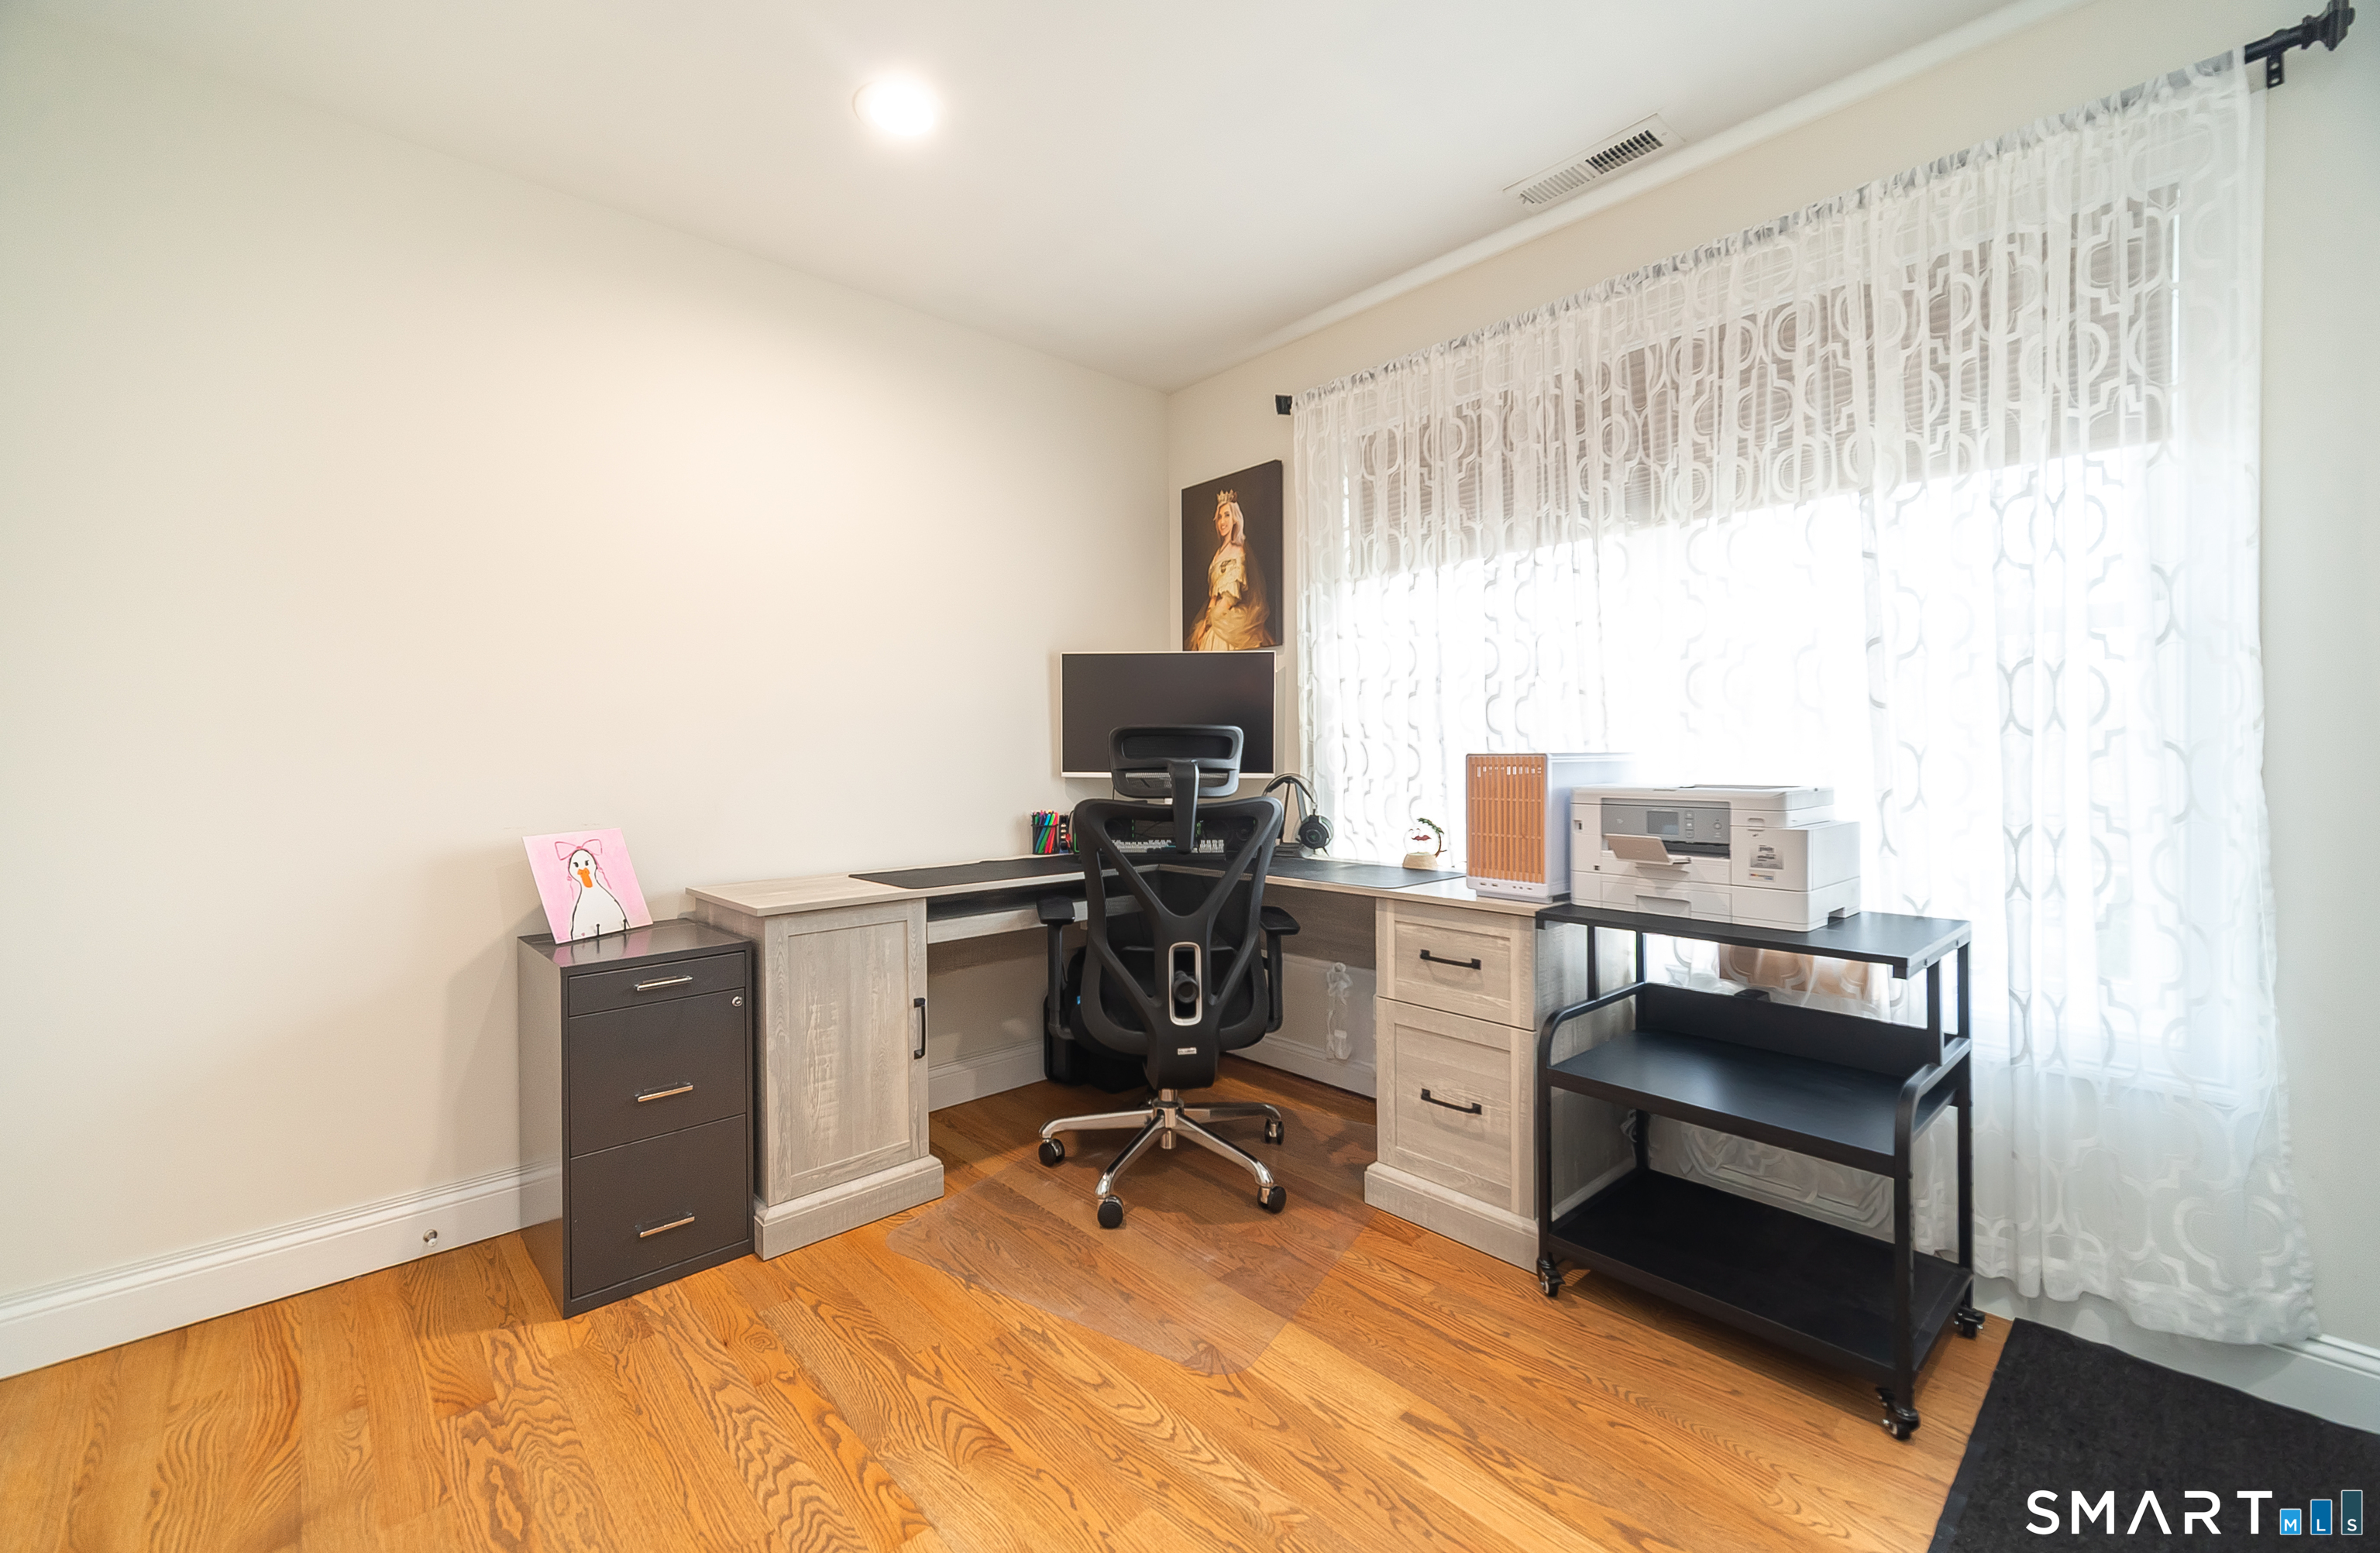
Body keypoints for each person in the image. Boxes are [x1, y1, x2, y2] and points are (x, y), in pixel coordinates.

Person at [1185, 488, 1275, 651]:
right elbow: (1214, 595)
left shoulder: (1238, 551)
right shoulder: (1217, 554)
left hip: (1228, 621)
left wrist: (1210, 621)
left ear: (1235, 519)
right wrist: (1205, 623)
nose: (1222, 521)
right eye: (1219, 517)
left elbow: (1229, 598)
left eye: (1227, 515)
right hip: (1214, 617)